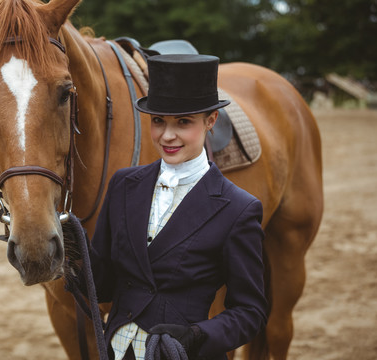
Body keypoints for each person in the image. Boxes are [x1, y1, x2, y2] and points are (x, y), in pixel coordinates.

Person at [88, 54, 267, 360]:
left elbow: (250, 311)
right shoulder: (122, 185)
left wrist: (198, 335)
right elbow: (101, 284)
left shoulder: (239, 209)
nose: (167, 135)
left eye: (183, 122)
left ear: (211, 121)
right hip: (116, 350)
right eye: (158, 121)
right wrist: (67, 251)